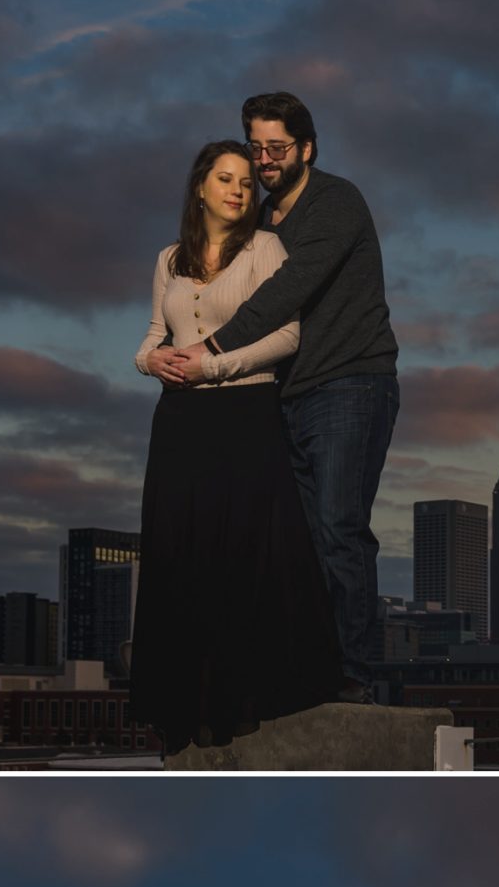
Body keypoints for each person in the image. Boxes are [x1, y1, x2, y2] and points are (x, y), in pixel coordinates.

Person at [170, 91, 400, 702]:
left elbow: (287, 291)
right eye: (256, 147)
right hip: (285, 395)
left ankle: (353, 674)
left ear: (307, 149)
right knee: (296, 542)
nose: (265, 159)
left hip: (351, 383)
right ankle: (308, 669)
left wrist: (210, 349)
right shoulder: (261, 222)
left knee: (339, 528)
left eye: (278, 147)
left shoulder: (336, 202)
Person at [131, 139, 343, 753]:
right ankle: (184, 705)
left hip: (245, 415)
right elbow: (153, 334)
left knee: (239, 552)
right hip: (178, 421)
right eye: (226, 179)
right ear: (201, 187)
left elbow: (287, 336)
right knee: (181, 552)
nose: (239, 191)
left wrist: (213, 367)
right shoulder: (169, 258)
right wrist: (150, 362)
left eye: (248, 183)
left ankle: (238, 698)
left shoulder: (265, 249)